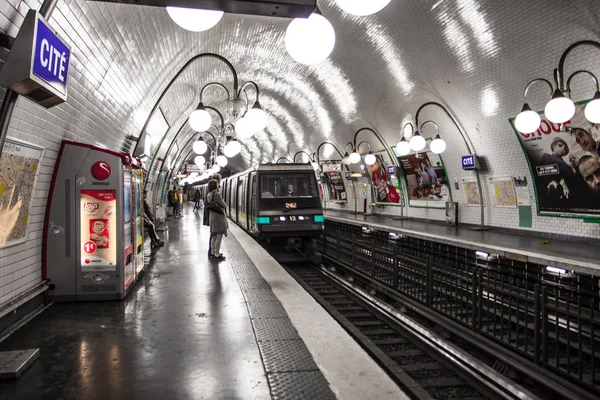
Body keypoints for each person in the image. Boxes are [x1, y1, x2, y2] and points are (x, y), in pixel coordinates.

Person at [206, 179, 228, 261]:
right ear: (215, 185)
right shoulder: (216, 194)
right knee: (219, 235)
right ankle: (217, 254)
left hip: (212, 216)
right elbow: (223, 205)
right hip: (218, 217)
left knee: (214, 235)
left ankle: (212, 252)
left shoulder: (209, 194)